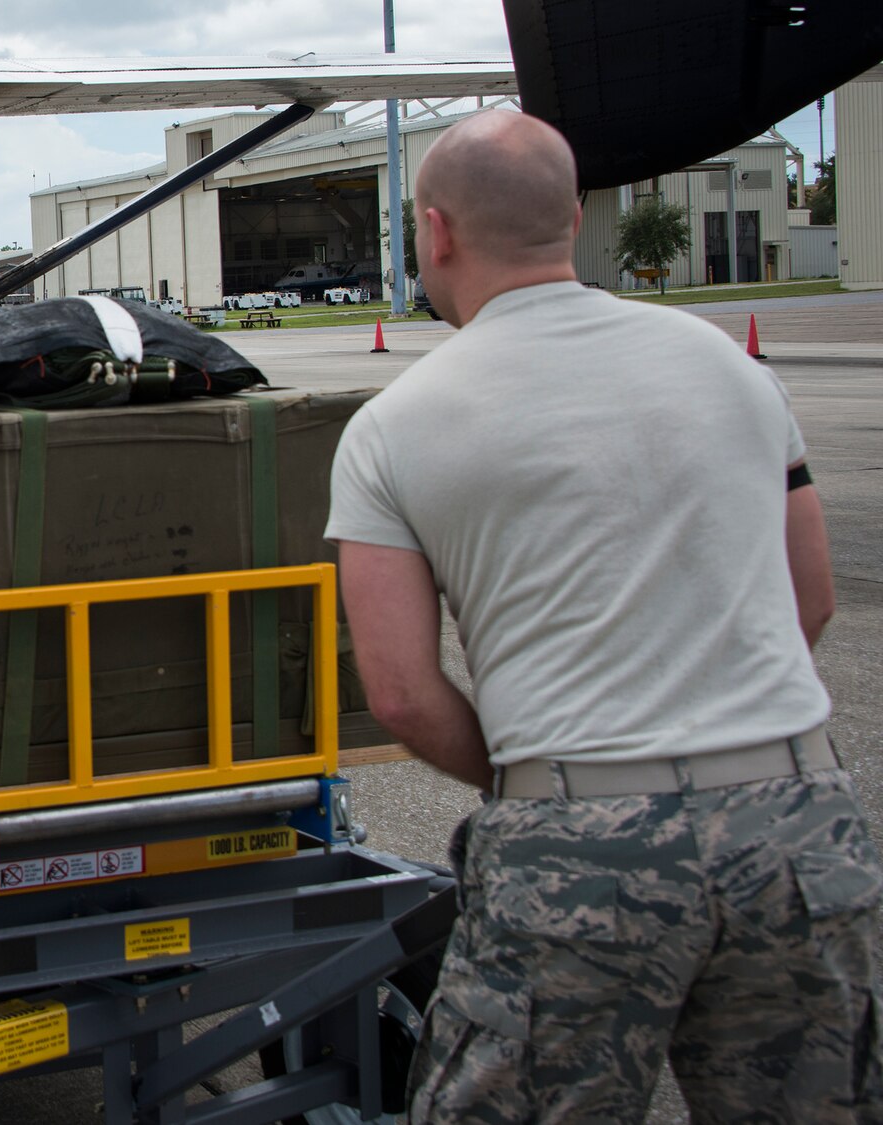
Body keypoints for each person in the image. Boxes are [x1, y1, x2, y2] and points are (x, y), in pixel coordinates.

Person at [326, 110, 880, 1121]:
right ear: (571, 219)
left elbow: (401, 693)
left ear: (434, 233)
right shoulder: (735, 372)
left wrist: (542, 782)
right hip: (798, 827)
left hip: (578, 846)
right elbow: (810, 599)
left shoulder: (390, 427)